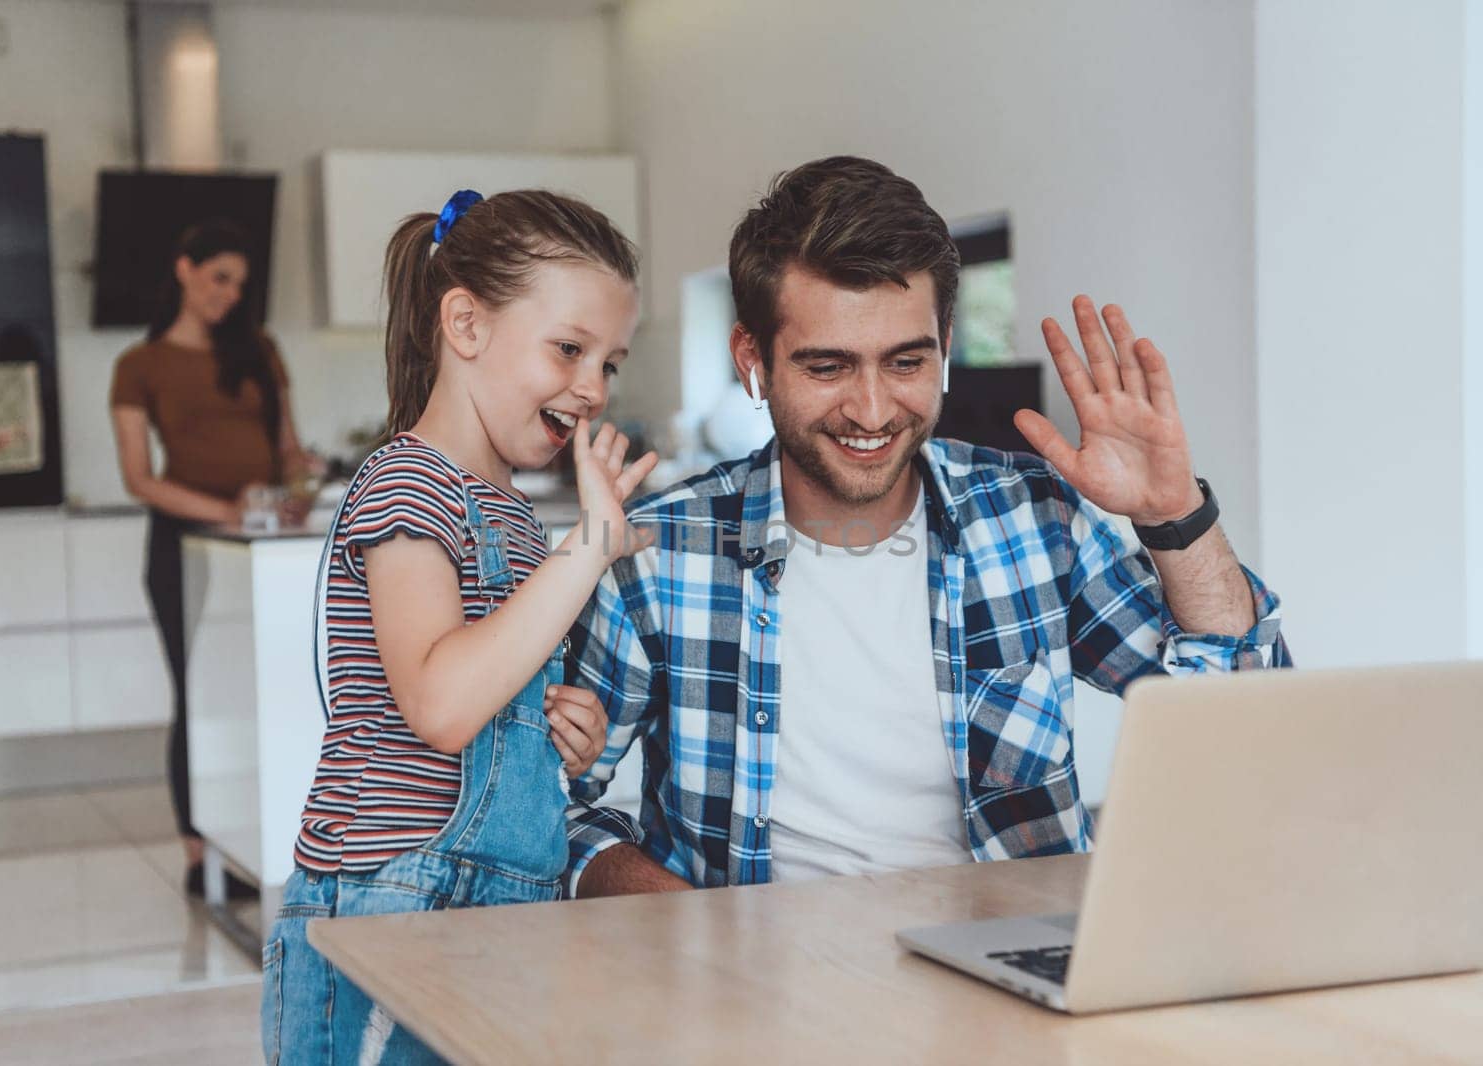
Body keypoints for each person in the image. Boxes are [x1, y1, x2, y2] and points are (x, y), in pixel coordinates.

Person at [564, 156, 1291, 898]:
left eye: (906, 361)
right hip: (757, 989)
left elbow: (1244, 726)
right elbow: (548, 812)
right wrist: (693, 929)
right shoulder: (653, 553)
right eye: (828, 368)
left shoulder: (1035, 518)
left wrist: (1175, 517)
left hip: (1011, 961)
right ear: (754, 360)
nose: (873, 411)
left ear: (944, 341)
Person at [261, 189, 657, 1065]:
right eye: (569, 348)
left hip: (503, 907)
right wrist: (591, 548)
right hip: (393, 909)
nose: (592, 388)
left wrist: (558, 729)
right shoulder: (408, 484)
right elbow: (440, 703)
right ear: (466, 326)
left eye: (611, 363)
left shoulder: (513, 518)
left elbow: (489, 688)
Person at [109, 219, 313, 898]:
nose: (230, 294)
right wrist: (230, 510)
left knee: (257, 693)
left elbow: (288, 448)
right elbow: (139, 478)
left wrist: (294, 492)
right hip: (186, 547)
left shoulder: (258, 350)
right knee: (199, 694)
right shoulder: (140, 366)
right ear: (185, 269)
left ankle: (261, 832)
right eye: (220, 277)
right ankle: (202, 849)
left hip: (259, 549)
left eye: (240, 284)